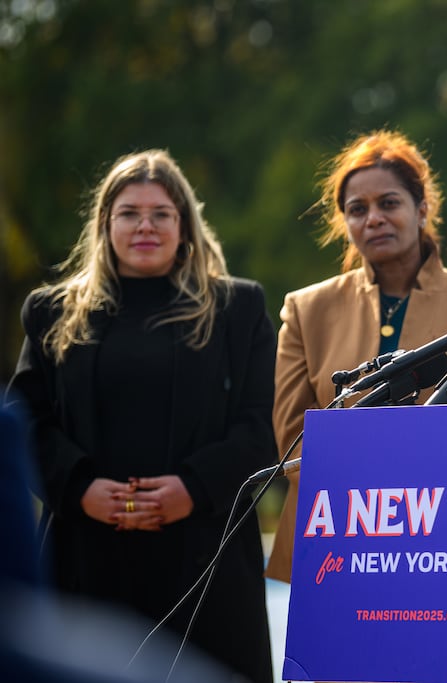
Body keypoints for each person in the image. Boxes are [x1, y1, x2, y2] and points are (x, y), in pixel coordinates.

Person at [6, 149, 276, 683]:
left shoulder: (236, 308)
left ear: (185, 226)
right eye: (129, 213)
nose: (145, 226)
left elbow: (260, 426)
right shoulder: (51, 311)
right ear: (105, 224)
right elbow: (25, 419)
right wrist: (80, 485)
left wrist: (192, 488)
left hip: (205, 560)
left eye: (161, 213)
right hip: (86, 554)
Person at [264, 129, 447, 583]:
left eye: (389, 203)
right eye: (357, 210)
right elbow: (292, 441)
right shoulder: (306, 310)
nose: (374, 218)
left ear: (422, 210)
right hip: (332, 543)